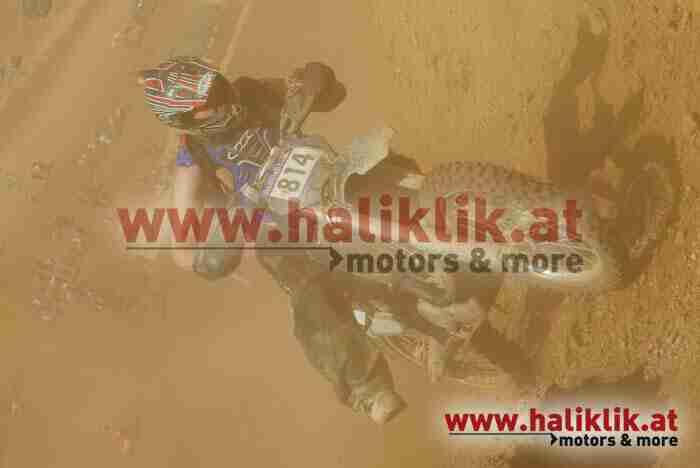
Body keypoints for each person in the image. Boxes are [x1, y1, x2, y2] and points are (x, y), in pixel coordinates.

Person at [138, 56, 410, 423]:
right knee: (307, 289)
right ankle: (370, 389)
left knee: (386, 164)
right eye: (206, 103)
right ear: (185, 120)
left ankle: (453, 200)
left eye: (215, 87)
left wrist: (315, 84)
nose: (219, 100)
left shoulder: (251, 90)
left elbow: (317, 93)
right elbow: (180, 240)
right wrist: (201, 258)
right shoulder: (193, 156)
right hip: (275, 229)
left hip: (324, 178)